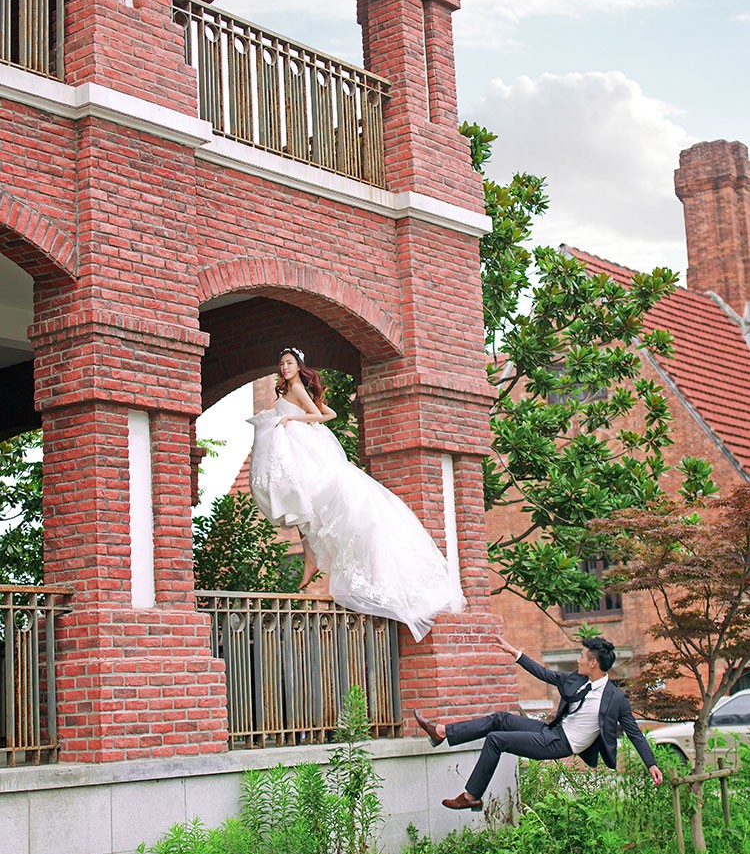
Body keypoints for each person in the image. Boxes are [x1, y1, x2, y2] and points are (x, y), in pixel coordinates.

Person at [248, 346, 466, 641]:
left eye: (289, 363)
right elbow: (330, 411)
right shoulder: (291, 388)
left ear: (299, 366)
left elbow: (319, 416)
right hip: (301, 448)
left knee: (309, 501)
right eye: (282, 364)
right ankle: (310, 558)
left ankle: (312, 558)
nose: (285, 368)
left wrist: (290, 420)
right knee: (304, 505)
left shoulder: (298, 387)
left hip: (304, 446)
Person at [414, 634, 663, 810]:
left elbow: (634, 733)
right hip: (552, 730)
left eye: (582, 655)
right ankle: (442, 732)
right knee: (500, 719)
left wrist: (651, 764)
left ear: (593, 663)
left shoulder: (616, 699)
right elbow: (546, 674)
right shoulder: (578, 679)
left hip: (558, 744)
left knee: (496, 739)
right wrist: (517, 654)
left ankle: (471, 796)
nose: (578, 659)